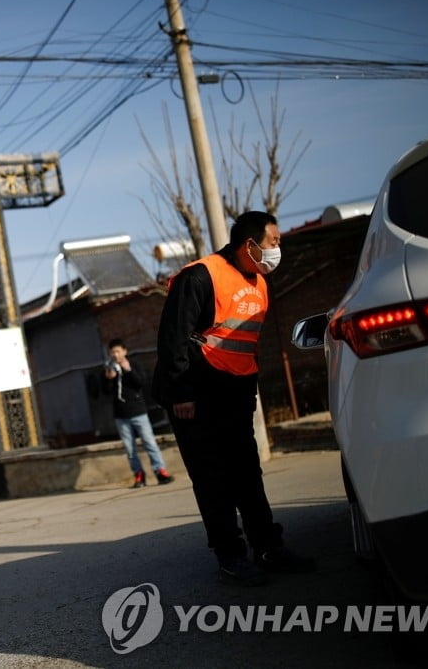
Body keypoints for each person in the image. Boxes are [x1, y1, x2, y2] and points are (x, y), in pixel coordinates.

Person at [152, 210, 315, 586]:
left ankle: (269, 547)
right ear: (250, 244)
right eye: (274, 242)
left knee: (246, 473)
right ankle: (230, 557)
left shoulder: (259, 281)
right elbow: (173, 338)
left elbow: (244, 344)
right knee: (212, 479)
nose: (278, 249)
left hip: (234, 391)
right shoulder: (201, 276)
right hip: (194, 390)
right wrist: (181, 394)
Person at [103, 338, 174, 488]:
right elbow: (105, 393)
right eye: (112, 352)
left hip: (138, 412)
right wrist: (109, 380)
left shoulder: (133, 365)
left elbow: (140, 383)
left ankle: (160, 471)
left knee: (150, 443)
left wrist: (128, 370)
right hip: (121, 416)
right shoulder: (109, 368)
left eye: (117, 351)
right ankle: (139, 475)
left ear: (124, 351)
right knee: (130, 449)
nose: (115, 354)